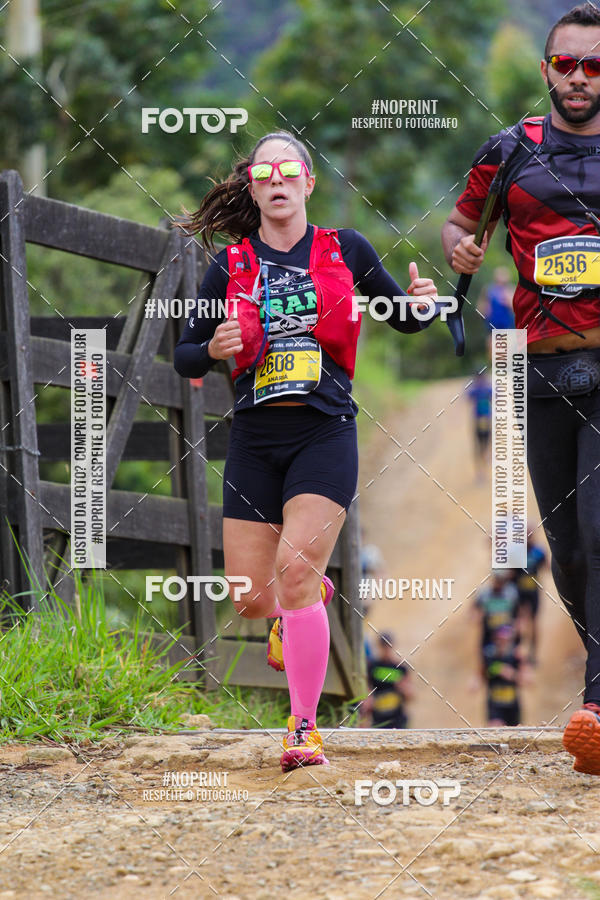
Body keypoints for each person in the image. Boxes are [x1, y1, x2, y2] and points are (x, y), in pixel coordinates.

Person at [173, 130, 440, 771]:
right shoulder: (230, 265)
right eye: (266, 171)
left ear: (309, 182)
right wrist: (212, 350)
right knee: (249, 596)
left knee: (296, 572)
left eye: (290, 168)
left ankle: (302, 728)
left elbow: (399, 313)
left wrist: (424, 305)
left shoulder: (344, 249)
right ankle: (305, 606)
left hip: (324, 430)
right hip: (255, 438)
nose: (278, 178)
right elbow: (184, 351)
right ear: (255, 186)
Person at [442, 3, 600, 775]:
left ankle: (598, 704)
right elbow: (460, 224)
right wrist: (463, 250)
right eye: (566, 64)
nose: (578, 78)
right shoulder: (508, 152)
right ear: (547, 70)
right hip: (539, 372)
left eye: (593, 65)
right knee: (567, 551)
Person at [362, 632, 414, 728]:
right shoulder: (372, 667)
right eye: (383, 646)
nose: (386, 650)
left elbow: (410, 696)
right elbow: (367, 690)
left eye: (388, 646)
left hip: (398, 720)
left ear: (393, 646)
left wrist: (404, 689)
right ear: (379, 646)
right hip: (378, 720)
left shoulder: (401, 668)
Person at [472, 570, 521, 658]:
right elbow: (475, 606)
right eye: (497, 580)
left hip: (506, 634)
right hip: (489, 633)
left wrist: (517, 624)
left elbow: (517, 611)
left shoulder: (511, 593)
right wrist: (476, 616)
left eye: (501, 580)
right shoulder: (484, 593)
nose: (499, 583)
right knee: (486, 659)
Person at [515, 529, 547, 665]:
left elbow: (546, 566)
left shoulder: (538, 552)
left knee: (533, 622)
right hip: (519, 591)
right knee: (519, 622)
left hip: (533, 591)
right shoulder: (516, 552)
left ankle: (532, 654)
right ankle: (517, 652)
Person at [483, 624, 524, 727]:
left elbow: (524, 679)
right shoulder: (489, 655)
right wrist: (501, 669)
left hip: (512, 704)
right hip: (495, 704)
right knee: (495, 729)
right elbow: (485, 672)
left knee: (514, 735)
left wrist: (514, 674)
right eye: (500, 639)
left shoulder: (515, 657)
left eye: (506, 640)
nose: (503, 642)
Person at [467, 371, 493, 481]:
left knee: (481, 447)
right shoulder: (486, 388)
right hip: (483, 420)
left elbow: (468, 397)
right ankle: (481, 471)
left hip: (482, 420)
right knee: (483, 447)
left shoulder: (476, 389)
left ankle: (481, 472)